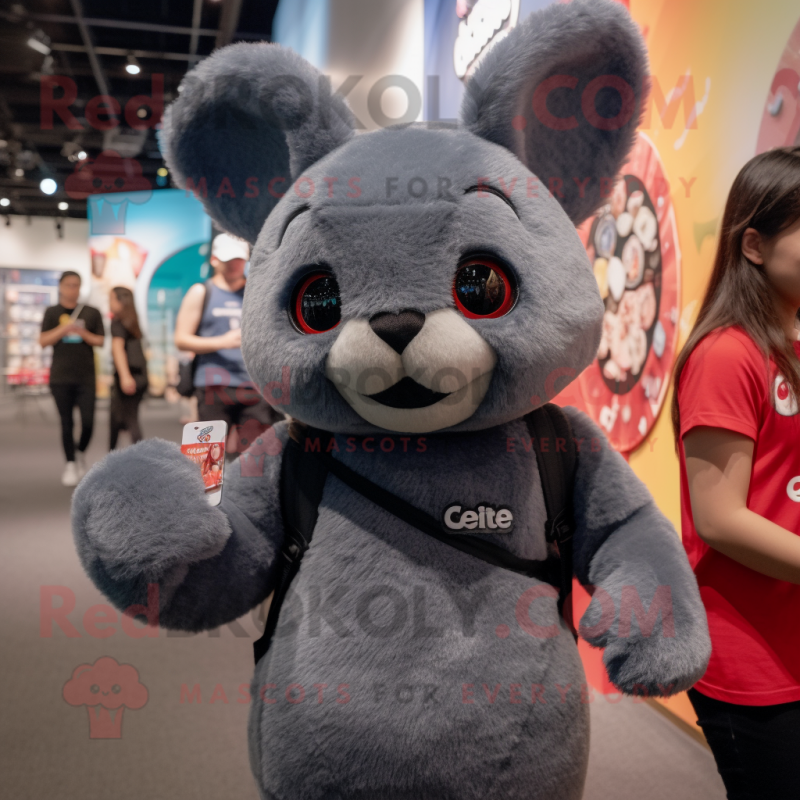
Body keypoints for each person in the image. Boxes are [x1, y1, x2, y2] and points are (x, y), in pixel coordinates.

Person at [672, 146, 800, 798]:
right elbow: (722, 519)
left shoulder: (793, 349)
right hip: (749, 659)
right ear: (754, 243)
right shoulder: (727, 355)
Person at [174, 233, 282, 456]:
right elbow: (181, 340)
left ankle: (248, 492)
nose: (234, 265)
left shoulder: (256, 294)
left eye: (238, 260)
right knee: (206, 460)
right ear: (214, 260)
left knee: (255, 461)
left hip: (254, 388)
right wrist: (222, 342)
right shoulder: (201, 292)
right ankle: (204, 492)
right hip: (213, 386)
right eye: (228, 260)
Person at [39, 270, 105, 486]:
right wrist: (64, 329)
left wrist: (82, 333)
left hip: (86, 377)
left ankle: (79, 452)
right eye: (68, 285)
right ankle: (69, 463)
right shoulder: (52, 312)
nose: (72, 289)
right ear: (60, 286)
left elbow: (100, 340)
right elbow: (43, 340)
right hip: (60, 377)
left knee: (88, 422)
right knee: (66, 422)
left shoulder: (92, 312)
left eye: (76, 285)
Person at [108, 286, 148, 450]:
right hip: (140, 374)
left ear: (120, 301)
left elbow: (118, 349)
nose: (108, 303)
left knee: (128, 419)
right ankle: (115, 456)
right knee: (120, 418)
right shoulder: (133, 322)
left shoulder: (118, 322)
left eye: (110, 299)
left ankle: (140, 457)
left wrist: (124, 376)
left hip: (129, 375)